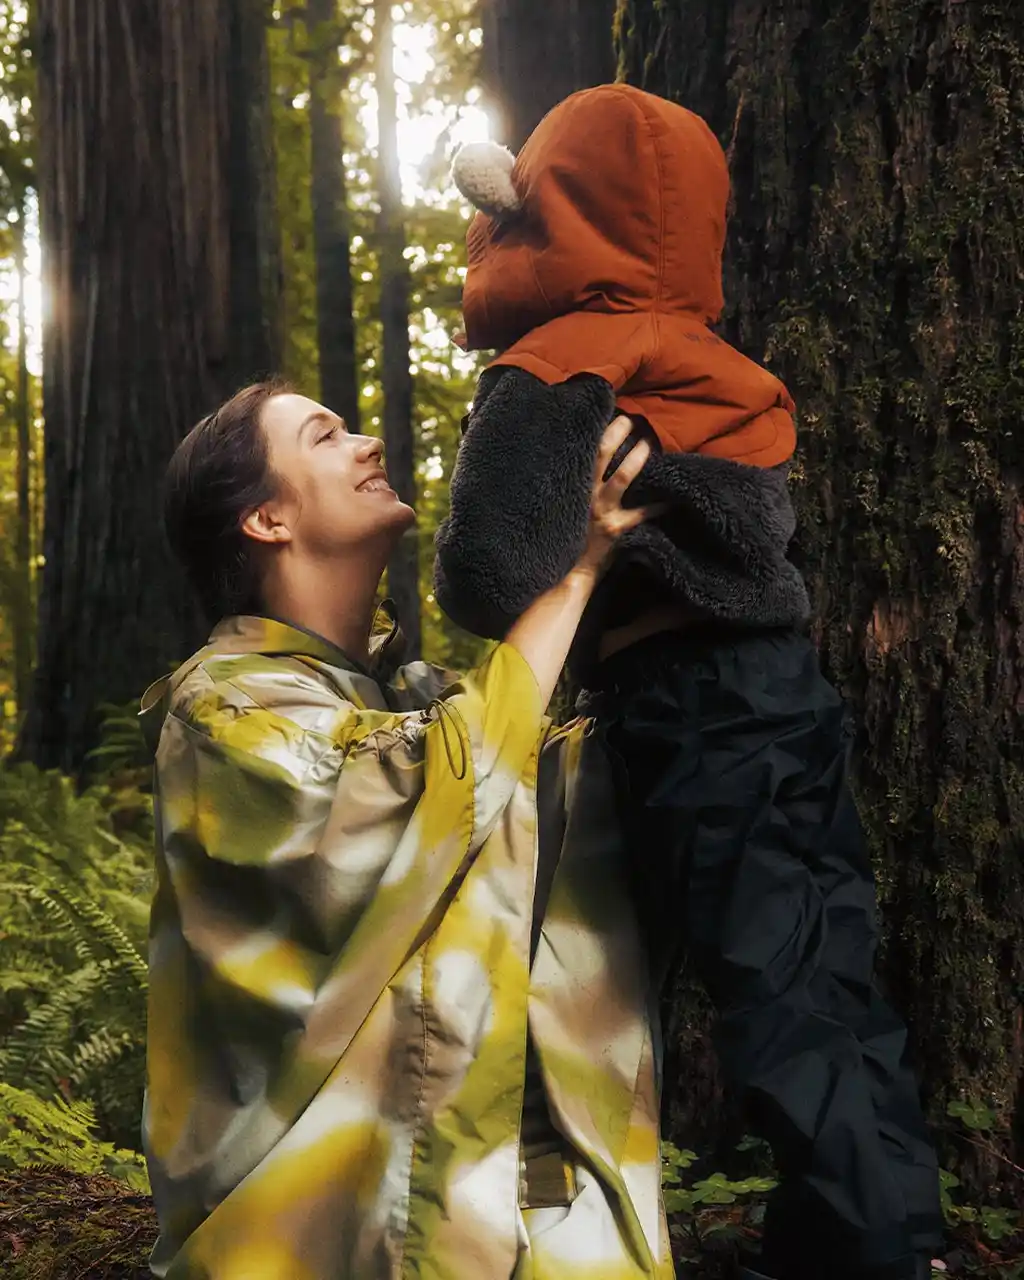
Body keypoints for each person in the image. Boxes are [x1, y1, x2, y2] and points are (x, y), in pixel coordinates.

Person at [434, 84, 944, 1280]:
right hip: (783, 686)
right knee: (829, 959)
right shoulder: (719, 367)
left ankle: (868, 1253)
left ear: (550, 210)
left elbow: (488, 571)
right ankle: (876, 1230)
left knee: (770, 975)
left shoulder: (559, 363)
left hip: (689, 705)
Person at [139, 380, 676, 1279]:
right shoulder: (224, 706)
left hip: (495, 1198)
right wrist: (578, 574)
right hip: (304, 1234)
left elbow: (535, 774)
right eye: (325, 437)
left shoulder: (398, 697)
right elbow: (437, 780)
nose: (367, 444)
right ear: (267, 519)